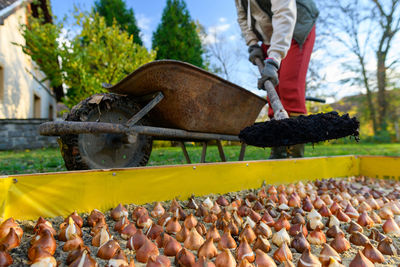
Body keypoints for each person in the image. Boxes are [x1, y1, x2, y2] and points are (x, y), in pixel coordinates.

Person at [235, 0, 319, 159]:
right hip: (269, 36)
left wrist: (274, 58)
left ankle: (295, 154)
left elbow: (285, 13)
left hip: (295, 27)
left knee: (289, 88)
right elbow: (242, 17)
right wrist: (252, 43)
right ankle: (279, 151)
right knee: (274, 92)